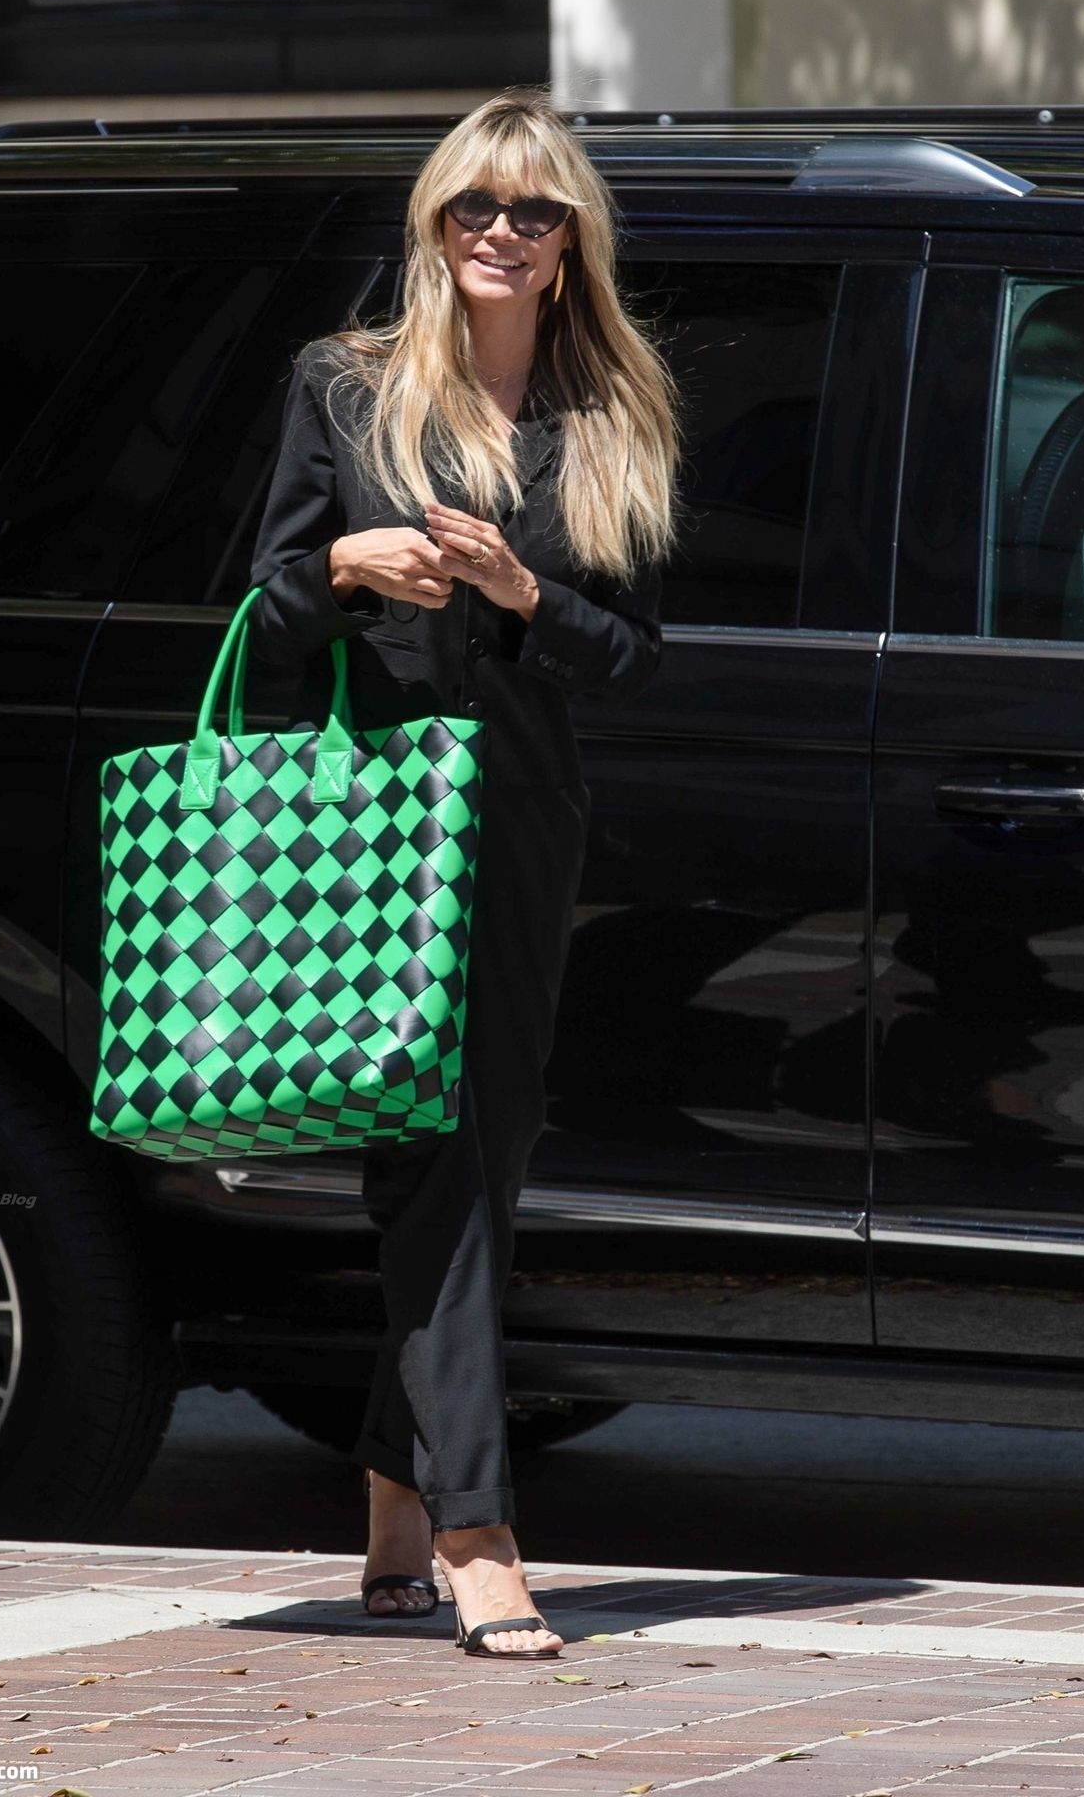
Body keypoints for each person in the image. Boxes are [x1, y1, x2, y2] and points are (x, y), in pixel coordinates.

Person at [246, 86, 682, 1658]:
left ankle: (394, 1483)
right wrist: (341, 565)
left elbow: (636, 654)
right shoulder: (347, 384)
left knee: (477, 1166)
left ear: (573, 244)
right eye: (475, 206)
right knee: (430, 1166)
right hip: (373, 816)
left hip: (519, 822)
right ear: (436, 225)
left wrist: (522, 596)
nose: (503, 231)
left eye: (536, 211)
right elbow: (265, 606)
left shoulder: (614, 413)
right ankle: (478, 1533)